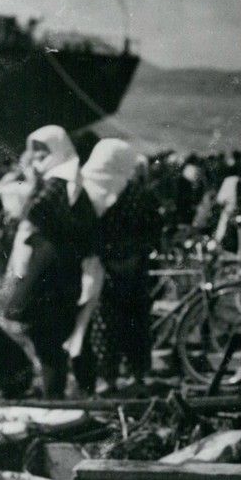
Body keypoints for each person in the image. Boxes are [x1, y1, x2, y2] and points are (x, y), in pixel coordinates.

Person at [4, 125, 97, 397]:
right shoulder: (70, 180)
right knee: (52, 333)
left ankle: (53, 396)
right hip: (61, 265)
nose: (37, 157)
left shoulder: (58, 181)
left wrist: (32, 184)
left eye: (43, 151)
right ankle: (59, 392)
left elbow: (33, 212)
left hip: (51, 267)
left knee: (45, 334)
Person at [79, 139, 161, 392]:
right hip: (134, 268)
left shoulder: (89, 187)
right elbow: (153, 230)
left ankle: (109, 377)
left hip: (105, 268)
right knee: (135, 321)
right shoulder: (138, 193)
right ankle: (136, 375)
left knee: (106, 323)